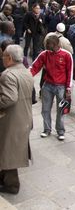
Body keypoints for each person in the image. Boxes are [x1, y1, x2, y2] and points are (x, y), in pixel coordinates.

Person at [0, 45, 33, 194]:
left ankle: (12, 185)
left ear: (10, 58)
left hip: (11, 120)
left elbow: (9, 98)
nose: (2, 59)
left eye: (4, 56)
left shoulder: (8, 74)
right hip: (24, 117)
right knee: (9, 151)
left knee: (9, 152)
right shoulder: (26, 71)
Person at [30, 35, 73, 140]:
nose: (48, 47)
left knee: (61, 110)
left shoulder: (67, 55)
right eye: (47, 45)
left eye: (50, 45)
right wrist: (26, 76)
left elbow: (70, 71)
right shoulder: (45, 54)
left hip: (61, 87)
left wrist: (68, 88)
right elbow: (34, 67)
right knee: (45, 109)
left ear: (57, 44)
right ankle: (47, 129)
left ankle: (60, 131)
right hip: (47, 85)